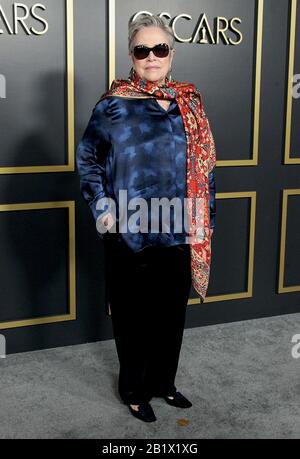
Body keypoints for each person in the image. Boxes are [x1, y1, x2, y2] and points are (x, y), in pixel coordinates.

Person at [76, 14, 217, 423]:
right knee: (133, 316)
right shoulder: (113, 105)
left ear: (171, 54)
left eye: (160, 49)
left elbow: (206, 167)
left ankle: (163, 383)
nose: (152, 57)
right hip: (130, 230)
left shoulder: (187, 101)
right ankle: (134, 390)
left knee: (171, 315)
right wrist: (103, 209)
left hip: (179, 226)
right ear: (131, 56)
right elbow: (88, 161)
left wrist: (204, 216)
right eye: (143, 50)